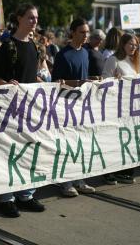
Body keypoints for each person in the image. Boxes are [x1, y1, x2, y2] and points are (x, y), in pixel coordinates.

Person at [0, 4, 46, 218]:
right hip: (10, 111)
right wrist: (5, 83)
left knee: (30, 151)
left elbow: (31, 76)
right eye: (30, 17)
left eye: (36, 18)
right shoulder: (8, 46)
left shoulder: (33, 46)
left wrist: (45, 83)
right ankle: (6, 199)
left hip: (30, 110)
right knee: (10, 153)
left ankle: (26, 195)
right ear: (19, 19)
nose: (34, 21)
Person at [51, 18, 97, 196]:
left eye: (87, 32)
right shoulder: (63, 55)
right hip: (66, 105)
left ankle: (79, 178)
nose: (86, 36)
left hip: (82, 106)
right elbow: (57, 83)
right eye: (82, 32)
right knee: (68, 144)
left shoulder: (86, 53)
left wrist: (92, 80)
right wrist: (78, 82)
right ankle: (66, 181)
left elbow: (84, 77)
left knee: (81, 144)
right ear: (73, 32)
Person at [102, 33, 140, 184]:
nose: (133, 47)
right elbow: (104, 81)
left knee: (126, 140)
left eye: (136, 45)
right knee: (114, 140)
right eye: (131, 44)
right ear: (123, 45)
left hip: (130, 109)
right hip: (115, 108)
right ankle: (108, 172)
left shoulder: (134, 62)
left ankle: (124, 171)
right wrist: (114, 80)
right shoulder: (113, 60)